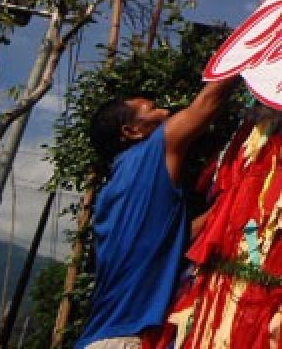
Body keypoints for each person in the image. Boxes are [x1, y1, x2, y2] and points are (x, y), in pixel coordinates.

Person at [75, 74, 239, 349]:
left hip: (103, 337)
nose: (162, 109)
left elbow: (173, 242)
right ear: (131, 132)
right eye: (149, 109)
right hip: (125, 340)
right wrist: (253, 46)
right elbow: (209, 101)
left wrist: (236, 197)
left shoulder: (114, 190)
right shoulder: (151, 152)